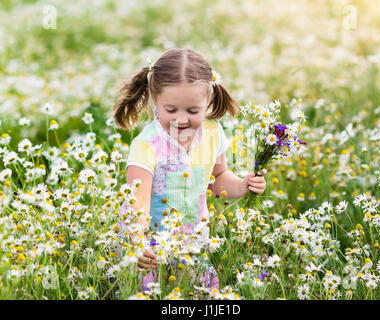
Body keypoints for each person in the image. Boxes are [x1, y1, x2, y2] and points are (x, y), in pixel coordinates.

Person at [113, 48, 267, 288]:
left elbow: (218, 179)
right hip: (149, 247)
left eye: (193, 111)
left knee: (207, 290)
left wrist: (244, 185)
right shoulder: (146, 145)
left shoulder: (212, 133)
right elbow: (137, 205)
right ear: (155, 99)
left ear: (208, 100)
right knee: (152, 292)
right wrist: (137, 241)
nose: (181, 119)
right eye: (171, 110)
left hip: (193, 242)